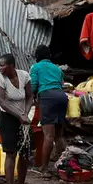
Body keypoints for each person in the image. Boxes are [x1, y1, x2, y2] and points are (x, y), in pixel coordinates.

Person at [0, 54, 32, 184]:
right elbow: (0, 101)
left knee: (24, 153)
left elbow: (29, 96)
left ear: (11, 66)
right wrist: (18, 115)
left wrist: (25, 114)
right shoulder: (0, 78)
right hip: (8, 117)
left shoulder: (24, 76)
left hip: (23, 119)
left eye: (2, 65)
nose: (0, 68)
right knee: (10, 153)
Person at [30, 45, 68, 173]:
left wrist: (31, 98)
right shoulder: (57, 68)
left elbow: (33, 85)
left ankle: (44, 167)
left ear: (37, 56)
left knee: (48, 135)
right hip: (62, 97)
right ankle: (65, 165)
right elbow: (62, 84)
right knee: (58, 136)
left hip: (47, 97)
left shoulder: (36, 67)